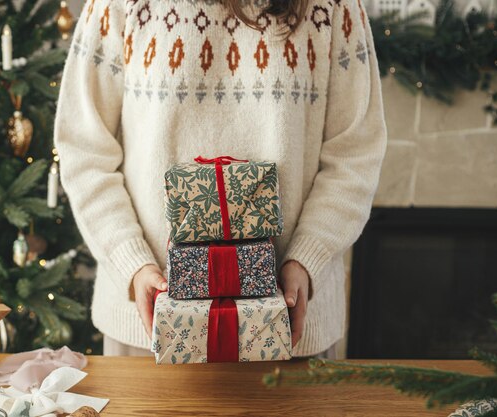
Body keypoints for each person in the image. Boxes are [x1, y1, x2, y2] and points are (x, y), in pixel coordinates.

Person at [54, 0, 387, 357]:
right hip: (148, 331)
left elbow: (354, 153)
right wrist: (132, 262)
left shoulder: (334, 7)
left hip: (290, 329)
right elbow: (85, 148)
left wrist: (307, 258)